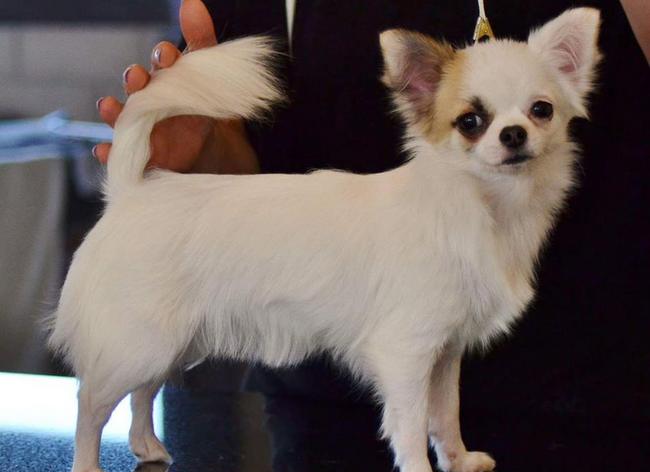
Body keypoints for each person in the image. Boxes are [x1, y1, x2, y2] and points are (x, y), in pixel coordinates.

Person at [94, 0, 649, 416]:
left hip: (603, 395)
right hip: (318, 406)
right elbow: (253, 167)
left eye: (539, 110)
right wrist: (203, 159)